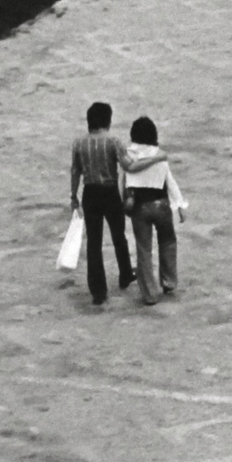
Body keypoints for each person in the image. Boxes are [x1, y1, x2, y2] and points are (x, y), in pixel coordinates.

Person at [69, 101, 158, 307]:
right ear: (107, 121)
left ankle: (98, 291)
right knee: (118, 235)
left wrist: (73, 196)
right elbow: (128, 165)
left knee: (93, 242)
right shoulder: (113, 142)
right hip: (109, 192)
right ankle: (125, 273)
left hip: (90, 193)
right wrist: (153, 160)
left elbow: (75, 172)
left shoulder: (79, 144)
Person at [122, 117, 184, 306]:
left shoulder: (128, 155)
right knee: (168, 242)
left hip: (140, 207)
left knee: (144, 249)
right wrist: (180, 205)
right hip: (162, 204)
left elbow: (123, 181)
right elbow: (169, 181)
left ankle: (149, 294)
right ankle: (169, 282)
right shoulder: (159, 154)